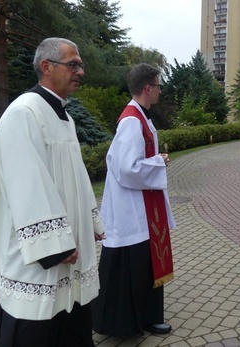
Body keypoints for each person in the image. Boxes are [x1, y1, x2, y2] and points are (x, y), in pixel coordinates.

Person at [0, 37, 105, 347]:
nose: (81, 71)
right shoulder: (24, 112)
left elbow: (77, 177)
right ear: (46, 66)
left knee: (70, 323)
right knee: (35, 330)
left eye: (81, 65)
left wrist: (91, 223)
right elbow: (27, 184)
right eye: (73, 64)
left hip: (71, 250)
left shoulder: (65, 118)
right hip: (41, 257)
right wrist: (54, 246)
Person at [92, 63, 175, 337]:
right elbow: (127, 167)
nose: (160, 91)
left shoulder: (141, 116)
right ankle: (123, 324)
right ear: (148, 88)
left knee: (146, 264)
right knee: (132, 265)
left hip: (141, 206)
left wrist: (154, 162)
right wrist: (158, 162)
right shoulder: (131, 121)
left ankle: (147, 317)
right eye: (159, 86)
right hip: (131, 209)